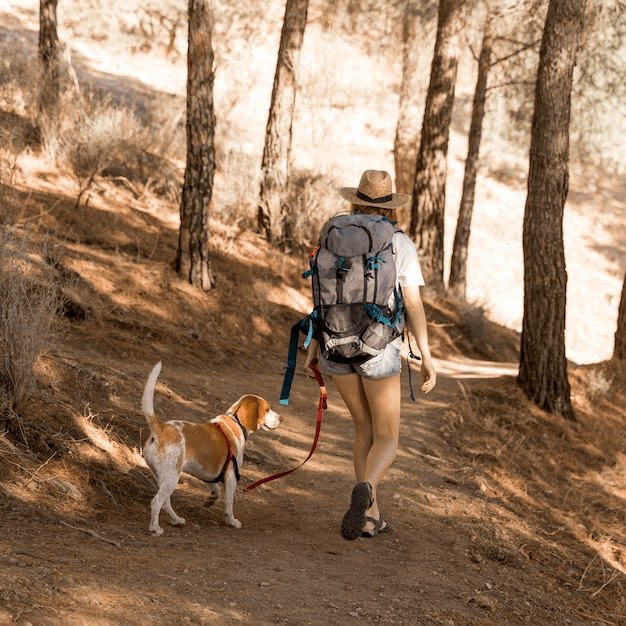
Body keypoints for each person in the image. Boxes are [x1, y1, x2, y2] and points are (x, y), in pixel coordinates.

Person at [304, 169, 437, 540]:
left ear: (355, 200)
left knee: (363, 429)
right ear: (391, 205)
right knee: (387, 437)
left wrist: (314, 344)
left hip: (335, 344)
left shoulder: (333, 235)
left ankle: (369, 517)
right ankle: (368, 489)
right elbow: (414, 307)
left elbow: (320, 296)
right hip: (378, 348)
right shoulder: (399, 243)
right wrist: (426, 356)